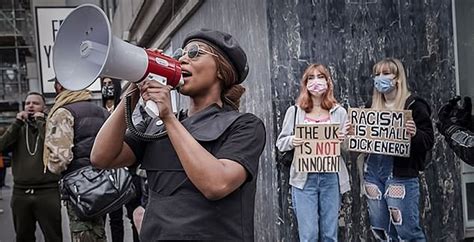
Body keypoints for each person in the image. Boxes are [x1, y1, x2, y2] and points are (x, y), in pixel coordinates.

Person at [90, 28, 266, 241]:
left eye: (194, 53)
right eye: (181, 53)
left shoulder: (244, 126)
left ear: (221, 69)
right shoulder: (154, 125)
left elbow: (216, 184)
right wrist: (133, 90)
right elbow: (101, 157)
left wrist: (169, 119)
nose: (183, 59)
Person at [351, 58, 434, 241]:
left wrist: (414, 134)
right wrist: (351, 134)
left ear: (397, 78)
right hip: (372, 173)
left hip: (400, 174)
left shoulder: (414, 105)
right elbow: (357, 144)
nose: (380, 78)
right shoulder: (369, 107)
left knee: (407, 232)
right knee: (381, 230)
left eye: (386, 73)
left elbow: (428, 141)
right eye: (377, 74)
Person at [276, 64, 350, 241]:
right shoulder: (294, 111)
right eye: (311, 78)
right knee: (308, 235)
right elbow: (281, 143)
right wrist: (293, 140)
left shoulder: (339, 112)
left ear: (328, 81)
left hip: (331, 177)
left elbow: (348, 148)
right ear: (305, 83)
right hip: (304, 179)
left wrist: (343, 139)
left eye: (320, 76)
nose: (316, 81)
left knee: (330, 235)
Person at [44, 78, 109, 242]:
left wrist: (50, 167)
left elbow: (60, 159)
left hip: (79, 188)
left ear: (59, 87)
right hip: (104, 184)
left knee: (83, 234)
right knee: (99, 232)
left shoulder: (63, 112)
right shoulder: (101, 111)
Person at [0, 92, 62, 242]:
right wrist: (16, 124)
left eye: (35, 103)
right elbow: (2, 146)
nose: (30, 106)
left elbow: (54, 146)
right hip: (21, 192)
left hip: (47, 191)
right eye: (28, 103)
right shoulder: (18, 128)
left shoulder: (51, 126)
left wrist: (41, 122)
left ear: (44, 107)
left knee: (53, 236)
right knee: (23, 236)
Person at [101, 77, 141, 242]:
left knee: (133, 214)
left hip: (129, 171)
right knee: (113, 216)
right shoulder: (99, 110)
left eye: (110, 84)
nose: (107, 87)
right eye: (104, 84)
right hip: (109, 174)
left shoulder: (126, 105)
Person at [437, 96, 474, 164]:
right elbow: (468, 144)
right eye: (456, 110)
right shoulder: (452, 132)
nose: (460, 110)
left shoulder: (463, 123)